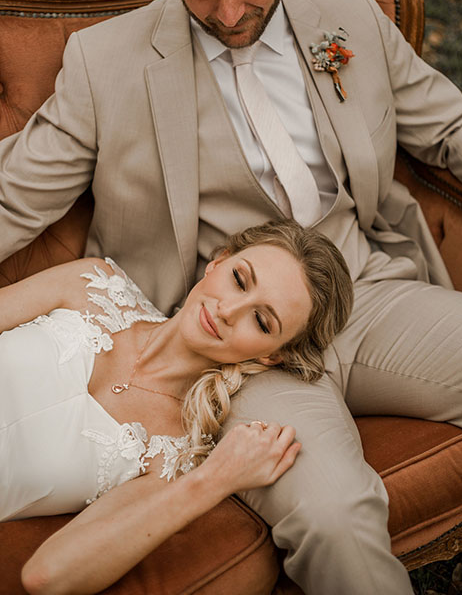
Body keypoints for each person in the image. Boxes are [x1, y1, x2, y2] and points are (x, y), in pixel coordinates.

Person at [0, 0, 462, 593]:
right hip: (233, 357)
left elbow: (450, 126)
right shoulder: (106, 64)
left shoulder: (348, 18)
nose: (228, 13)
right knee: (334, 516)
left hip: (366, 291)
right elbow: (13, 197)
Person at [1, 219, 353, 594]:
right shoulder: (92, 283)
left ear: (273, 356)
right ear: (218, 261)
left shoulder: (174, 456)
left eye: (261, 321)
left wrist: (213, 481)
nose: (228, 310)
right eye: (238, 279)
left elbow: (47, 576)